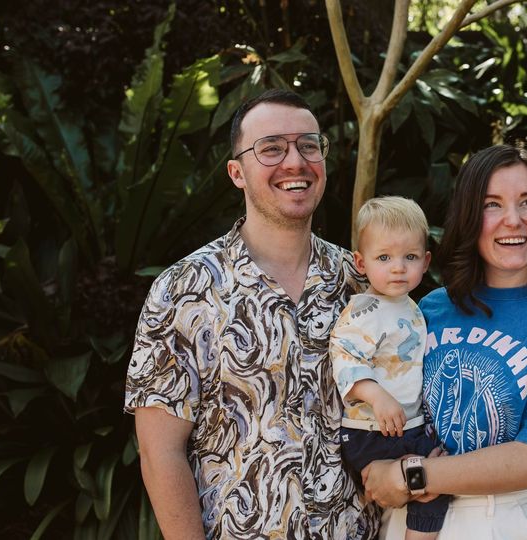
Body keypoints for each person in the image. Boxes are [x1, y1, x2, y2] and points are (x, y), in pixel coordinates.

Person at [124, 89, 378, 539]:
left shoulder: (360, 282)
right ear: (237, 172)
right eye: (272, 148)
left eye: (308, 145)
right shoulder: (184, 289)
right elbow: (160, 451)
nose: (295, 162)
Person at [363, 145, 527, 539]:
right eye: (492, 204)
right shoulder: (429, 308)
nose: (512, 220)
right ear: (468, 216)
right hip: (406, 520)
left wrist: (412, 475)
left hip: (502, 518)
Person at [330, 196, 450, 540]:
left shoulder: (411, 306)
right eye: (384, 257)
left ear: (425, 262)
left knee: (435, 480)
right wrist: (377, 396)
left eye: (409, 257)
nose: (398, 267)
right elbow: (345, 356)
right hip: (370, 432)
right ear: (361, 262)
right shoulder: (364, 310)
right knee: (430, 482)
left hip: (405, 430)